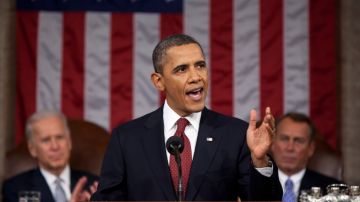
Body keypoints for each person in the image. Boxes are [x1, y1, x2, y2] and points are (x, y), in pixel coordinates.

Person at [91, 34, 282, 201]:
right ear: (159, 81)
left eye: (200, 66)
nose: (195, 76)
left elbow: (264, 200)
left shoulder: (235, 134)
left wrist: (260, 162)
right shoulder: (127, 138)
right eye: (182, 69)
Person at [2, 110, 98, 202]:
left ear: (69, 142)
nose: (55, 146)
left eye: (60, 137)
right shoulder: (16, 188)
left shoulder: (95, 185)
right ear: (32, 149)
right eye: (46, 140)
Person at [271, 112, 341, 200]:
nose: (290, 148)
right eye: (284, 139)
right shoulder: (253, 185)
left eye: (298, 141)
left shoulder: (333, 192)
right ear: (273, 144)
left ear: (311, 149)